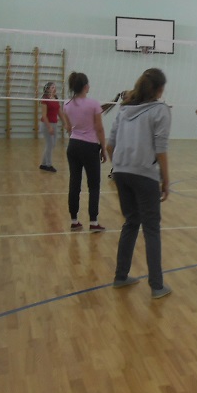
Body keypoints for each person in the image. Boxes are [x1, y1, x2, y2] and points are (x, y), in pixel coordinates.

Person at [107, 68, 172, 299]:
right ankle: (157, 285)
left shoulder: (124, 109)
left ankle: (120, 276)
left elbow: (110, 145)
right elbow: (161, 150)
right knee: (151, 228)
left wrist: (122, 166)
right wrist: (166, 180)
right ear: (159, 89)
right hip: (144, 174)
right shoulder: (160, 110)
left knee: (131, 222)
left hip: (121, 172)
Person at [61, 72, 107, 231]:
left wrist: (76, 134)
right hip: (90, 146)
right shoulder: (94, 104)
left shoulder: (67, 104)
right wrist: (103, 149)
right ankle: (93, 223)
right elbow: (99, 129)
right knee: (94, 185)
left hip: (73, 145)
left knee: (74, 183)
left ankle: (74, 221)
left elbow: (68, 127)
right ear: (86, 86)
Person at [38, 81, 61, 172]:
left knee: (52, 144)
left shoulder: (56, 98)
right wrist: (49, 127)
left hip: (54, 124)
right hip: (46, 124)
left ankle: (43, 164)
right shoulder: (45, 99)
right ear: (47, 89)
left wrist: (65, 123)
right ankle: (48, 165)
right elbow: (44, 115)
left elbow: (60, 112)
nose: (54, 89)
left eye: (55, 87)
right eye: (52, 87)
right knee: (50, 144)